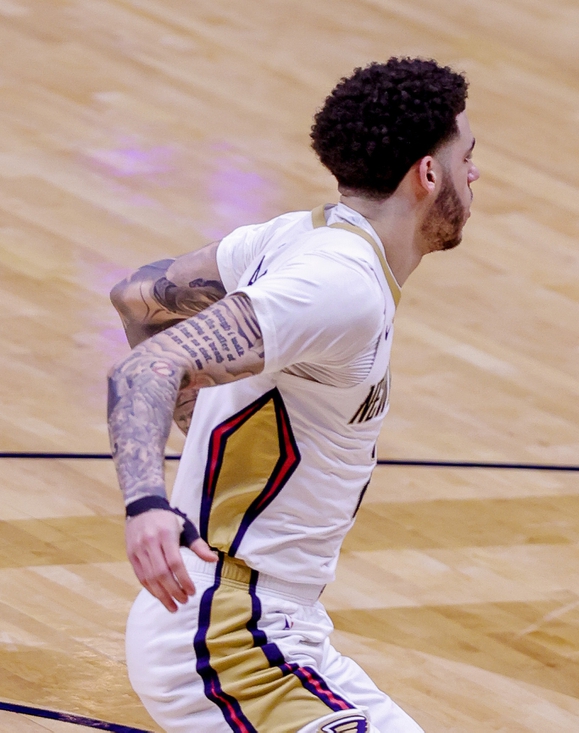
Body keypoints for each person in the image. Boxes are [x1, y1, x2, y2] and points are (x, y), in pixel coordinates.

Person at [107, 57, 478, 733]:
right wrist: (147, 503)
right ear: (428, 174)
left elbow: (138, 298)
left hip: (275, 625)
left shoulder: (296, 236)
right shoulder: (341, 285)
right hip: (229, 640)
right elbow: (145, 366)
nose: (476, 175)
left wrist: (203, 434)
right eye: (469, 158)